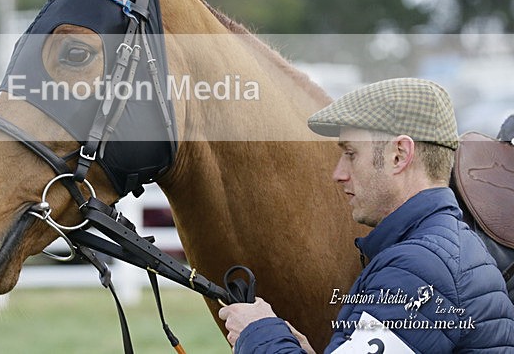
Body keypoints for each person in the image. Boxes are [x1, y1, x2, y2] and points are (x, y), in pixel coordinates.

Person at [219, 78, 514, 353]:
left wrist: (258, 332)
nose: (338, 174)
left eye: (350, 154)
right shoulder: (446, 251)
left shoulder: (420, 271)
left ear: (399, 154)